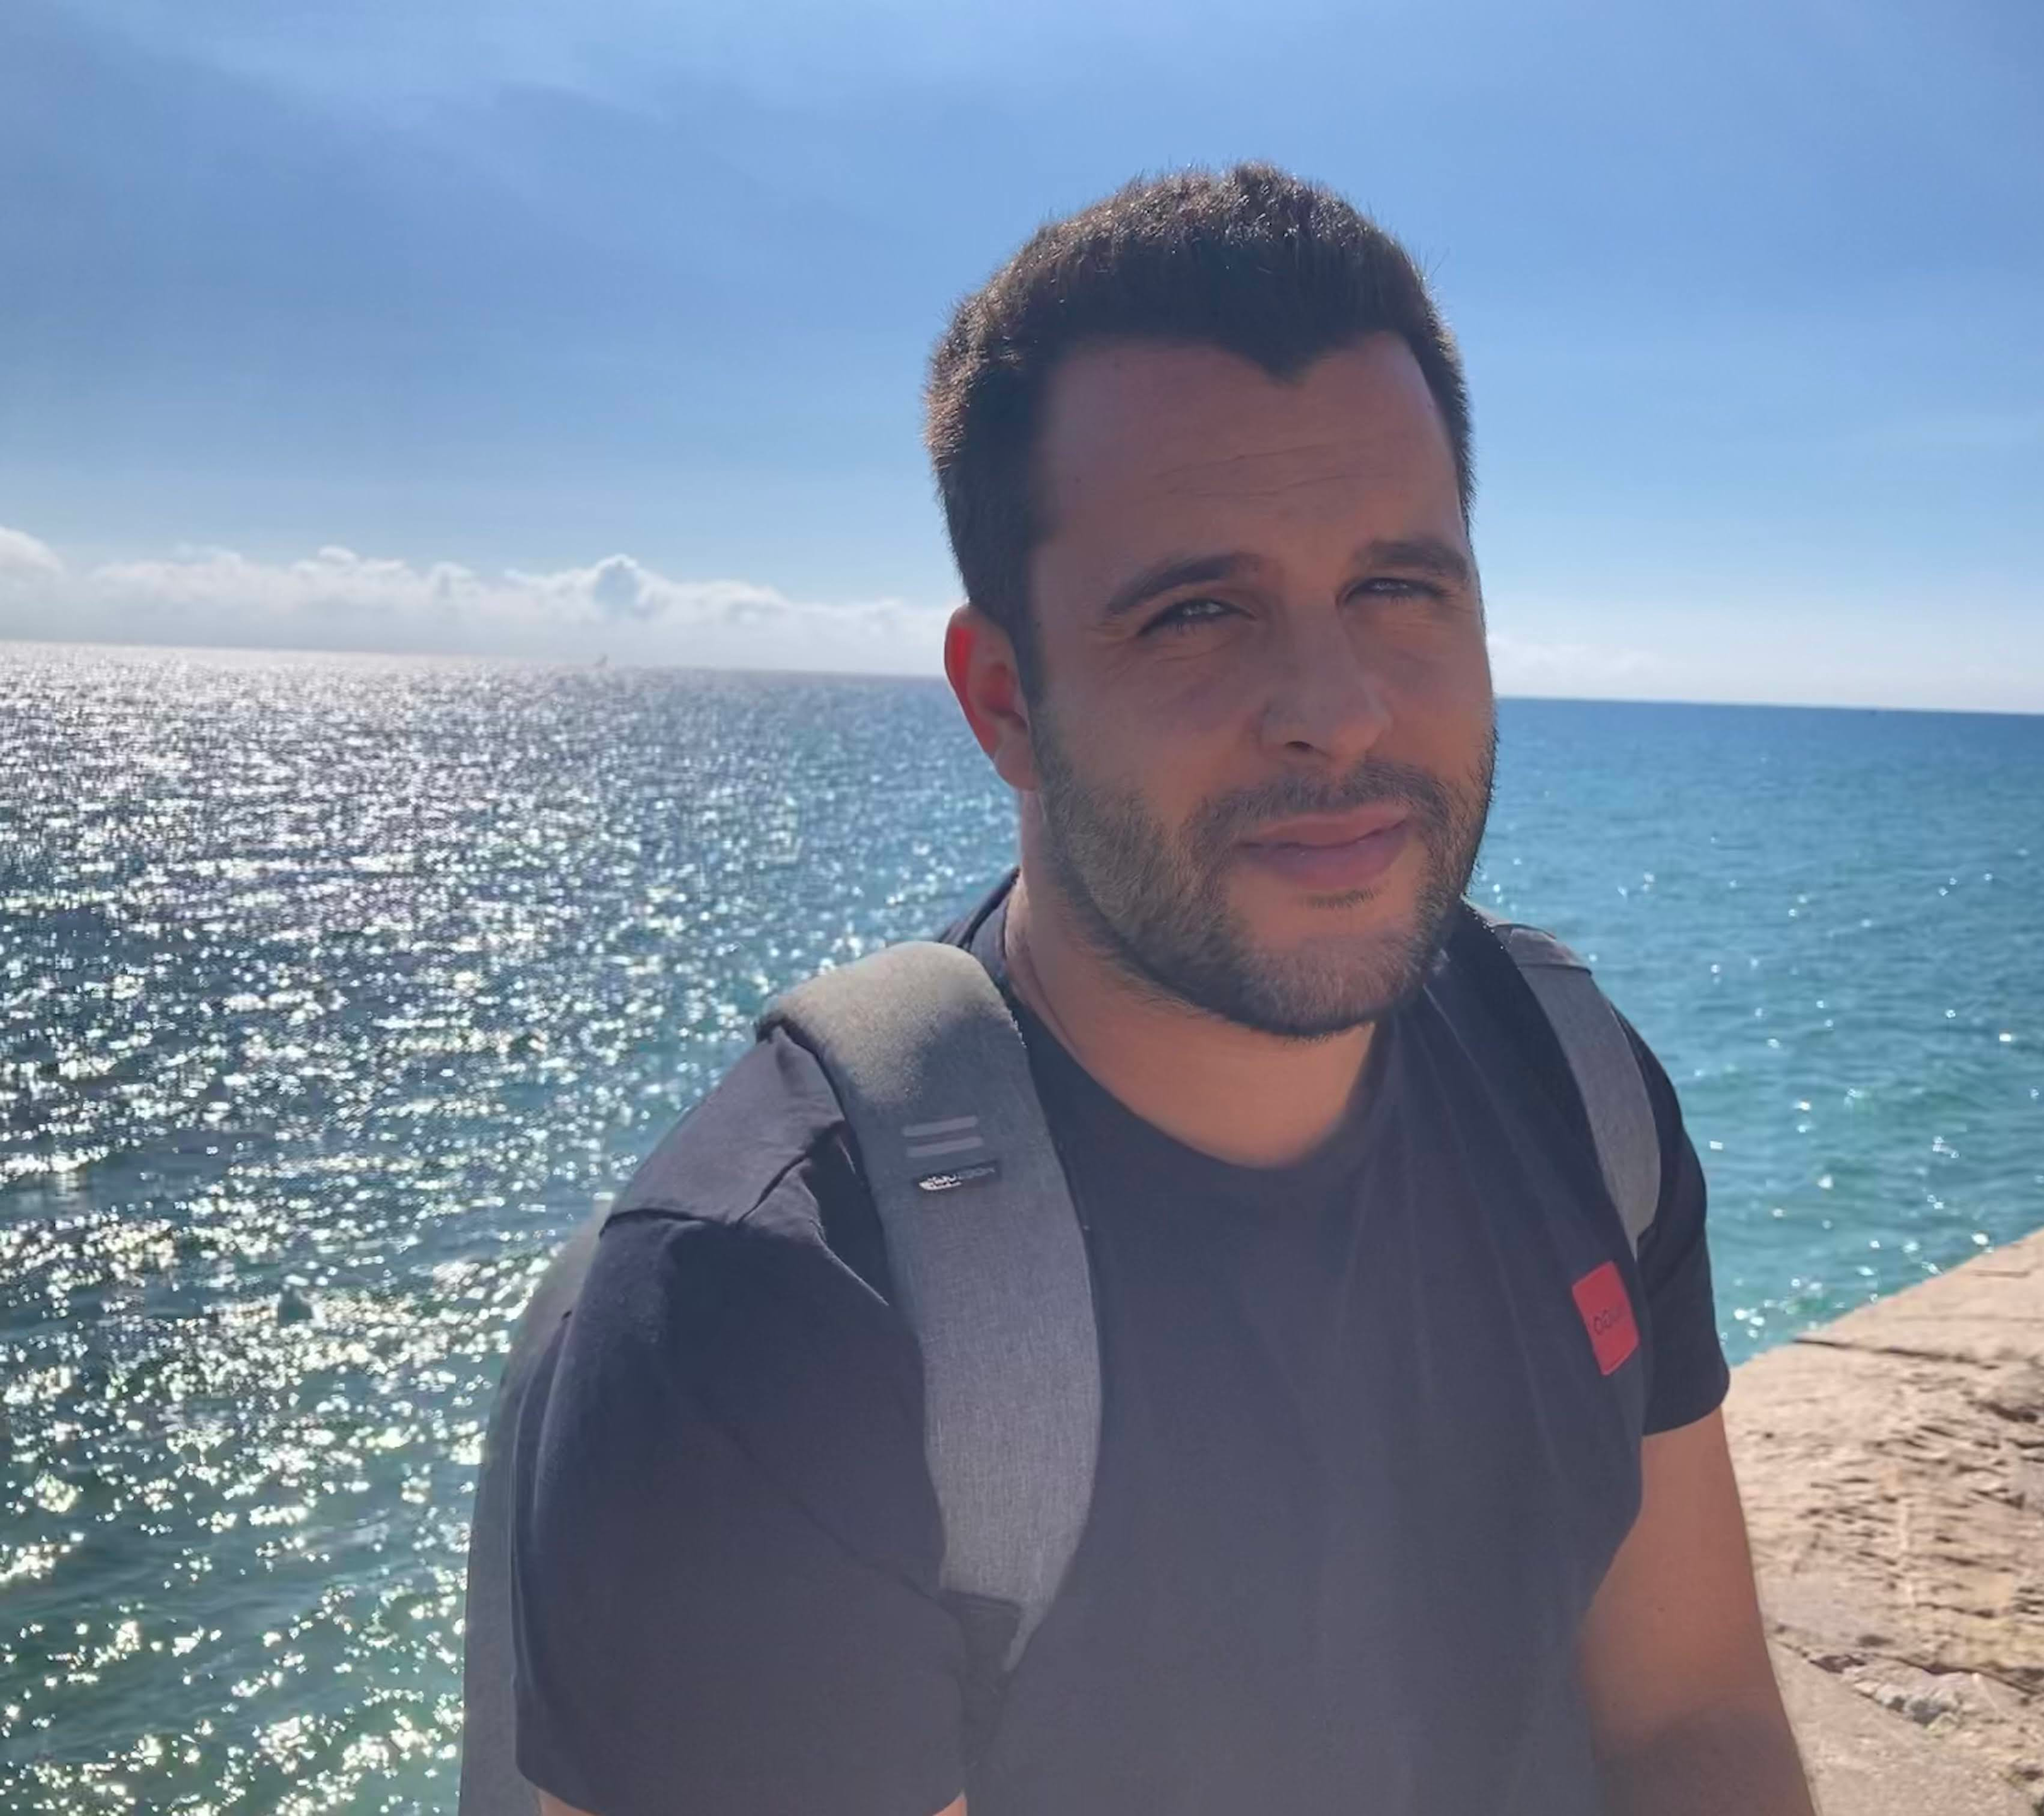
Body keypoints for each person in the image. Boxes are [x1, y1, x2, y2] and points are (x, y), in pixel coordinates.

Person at [504, 164, 1815, 1816]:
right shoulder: (770, 1321)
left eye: (1399, 589)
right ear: (1005, 700)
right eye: (1199, 612)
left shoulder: (1578, 1090)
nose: (1338, 708)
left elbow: (1691, 1719)